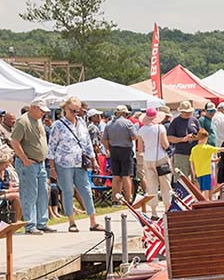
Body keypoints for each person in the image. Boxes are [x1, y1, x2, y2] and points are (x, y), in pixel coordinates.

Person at [48, 97, 101, 232]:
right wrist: (52, 167)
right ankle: (71, 221)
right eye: (73, 111)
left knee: (86, 190)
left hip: (80, 162)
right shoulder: (58, 125)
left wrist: (94, 160)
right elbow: (51, 147)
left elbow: (87, 142)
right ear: (65, 109)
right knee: (68, 192)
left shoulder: (82, 123)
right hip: (63, 163)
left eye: (79, 111)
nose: (76, 114)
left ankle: (93, 221)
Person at [10, 102, 53, 235]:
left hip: (40, 163)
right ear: (33, 108)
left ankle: (41, 222)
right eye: (41, 110)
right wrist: (24, 159)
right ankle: (30, 224)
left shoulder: (38, 120)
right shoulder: (23, 122)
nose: (43, 113)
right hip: (28, 163)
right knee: (30, 193)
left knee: (43, 192)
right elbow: (15, 141)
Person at [137, 107, 173, 212]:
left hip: (148, 158)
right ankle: (167, 208)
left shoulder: (141, 130)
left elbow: (140, 149)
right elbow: (165, 145)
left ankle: (153, 211)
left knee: (151, 185)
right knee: (165, 184)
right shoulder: (160, 128)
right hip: (160, 157)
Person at [103, 105, 139, 203]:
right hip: (126, 150)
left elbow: (104, 139)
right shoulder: (128, 123)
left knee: (116, 176)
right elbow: (134, 137)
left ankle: (115, 199)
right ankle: (128, 199)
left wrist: (108, 149)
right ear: (124, 113)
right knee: (126, 175)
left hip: (113, 150)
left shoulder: (109, 124)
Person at [189, 128, 224, 199]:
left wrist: (193, 172)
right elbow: (221, 149)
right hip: (206, 172)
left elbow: (192, 162)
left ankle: (201, 202)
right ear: (205, 138)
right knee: (206, 190)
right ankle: (206, 202)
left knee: (200, 190)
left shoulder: (194, 149)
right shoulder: (207, 148)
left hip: (198, 173)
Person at [166, 101, 199, 178]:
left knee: (195, 178)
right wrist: (182, 139)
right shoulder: (175, 122)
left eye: (189, 112)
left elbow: (200, 134)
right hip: (181, 153)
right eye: (185, 112)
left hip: (194, 153)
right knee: (181, 178)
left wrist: (194, 137)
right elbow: (169, 138)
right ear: (181, 111)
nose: (187, 113)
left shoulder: (195, 120)